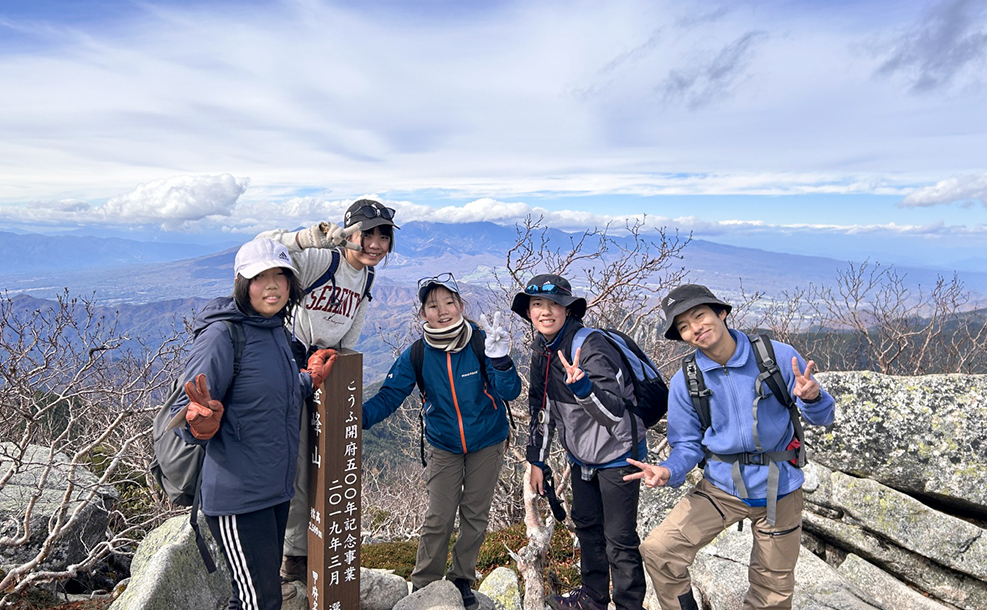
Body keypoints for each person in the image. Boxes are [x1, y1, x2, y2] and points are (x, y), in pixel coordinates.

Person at [625, 284, 836, 610]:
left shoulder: (774, 355)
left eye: (699, 315)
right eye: (683, 326)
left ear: (721, 313)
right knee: (660, 550)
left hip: (778, 487)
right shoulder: (687, 380)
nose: (695, 328)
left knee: (773, 589)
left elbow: (824, 416)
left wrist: (813, 398)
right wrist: (669, 470)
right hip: (722, 487)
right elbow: (686, 444)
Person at [171, 238, 337, 610]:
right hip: (238, 497)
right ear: (242, 284)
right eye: (260, 277)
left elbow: (272, 391)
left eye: (281, 274)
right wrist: (199, 424)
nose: (274, 284)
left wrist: (309, 379)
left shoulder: (274, 328)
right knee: (257, 601)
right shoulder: (223, 335)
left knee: (256, 597)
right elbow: (188, 408)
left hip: (274, 490)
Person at [255, 198, 397, 585]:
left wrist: (342, 364)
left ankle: (303, 552)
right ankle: (290, 557)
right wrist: (311, 237)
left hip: (328, 369)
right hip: (292, 366)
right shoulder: (323, 260)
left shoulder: (365, 278)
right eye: (367, 234)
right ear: (349, 231)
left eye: (383, 236)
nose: (376, 244)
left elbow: (353, 325)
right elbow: (264, 249)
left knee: (323, 463)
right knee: (297, 463)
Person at [362, 273, 521, 610]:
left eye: (449, 302)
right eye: (433, 305)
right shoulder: (417, 354)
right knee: (439, 517)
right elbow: (389, 396)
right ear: (423, 314)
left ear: (461, 306)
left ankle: (462, 578)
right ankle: (425, 585)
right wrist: (351, 421)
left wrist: (502, 361)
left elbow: (510, 392)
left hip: (487, 441)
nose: (443, 310)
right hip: (443, 444)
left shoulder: (482, 342)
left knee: (475, 515)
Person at [510, 273, 647, 610]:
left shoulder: (590, 347)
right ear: (528, 312)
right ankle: (594, 597)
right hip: (582, 457)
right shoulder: (543, 349)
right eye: (537, 304)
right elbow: (540, 410)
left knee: (620, 540)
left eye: (554, 304)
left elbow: (614, 413)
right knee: (586, 527)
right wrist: (537, 463)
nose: (545, 311)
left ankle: (629, 605)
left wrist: (584, 388)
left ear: (568, 310)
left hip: (619, 455)